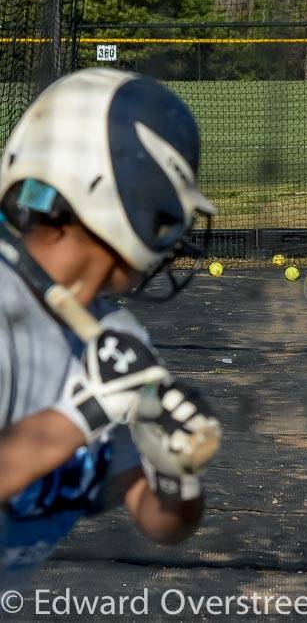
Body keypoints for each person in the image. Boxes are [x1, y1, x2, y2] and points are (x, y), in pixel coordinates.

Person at [0, 68, 220, 587]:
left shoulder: (114, 340)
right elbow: (81, 415)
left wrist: (175, 474)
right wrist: (85, 411)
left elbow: (159, 522)